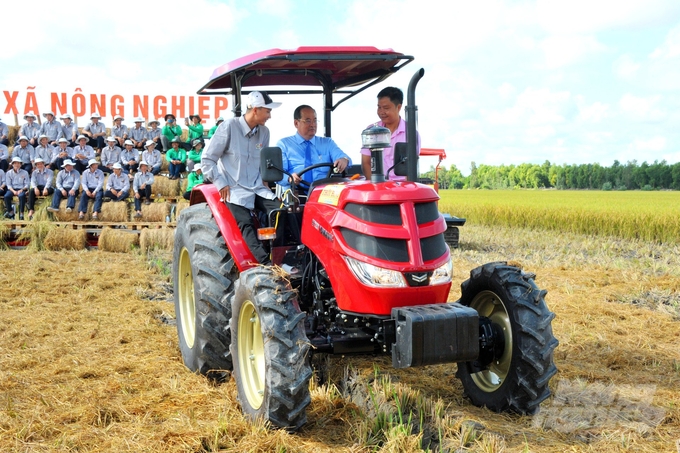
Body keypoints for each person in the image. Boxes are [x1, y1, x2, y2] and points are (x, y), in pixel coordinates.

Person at [202, 91, 282, 265]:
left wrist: (266, 182)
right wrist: (220, 183)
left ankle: (280, 257)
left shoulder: (264, 132)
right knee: (245, 223)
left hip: (256, 186)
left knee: (281, 212)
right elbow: (207, 160)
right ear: (255, 110)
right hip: (233, 187)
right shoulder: (229, 127)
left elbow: (263, 163)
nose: (269, 116)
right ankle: (266, 265)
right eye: (267, 111)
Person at [276, 104, 351, 191]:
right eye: (308, 121)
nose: (313, 125)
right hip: (295, 193)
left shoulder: (328, 143)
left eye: (315, 121)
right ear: (296, 123)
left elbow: (344, 157)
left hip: (324, 193)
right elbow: (279, 174)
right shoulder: (284, 144)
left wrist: (344, 160)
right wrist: (289, 178)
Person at [360, 87, 421, 181]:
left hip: (401, 187)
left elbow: (411, 166)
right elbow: (366, 163)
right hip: (377, 184)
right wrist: (376, 186)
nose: (381, 112)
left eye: (386, 108)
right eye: (379, 107)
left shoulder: (411, 133)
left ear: (399, 107)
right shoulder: (371, 131)